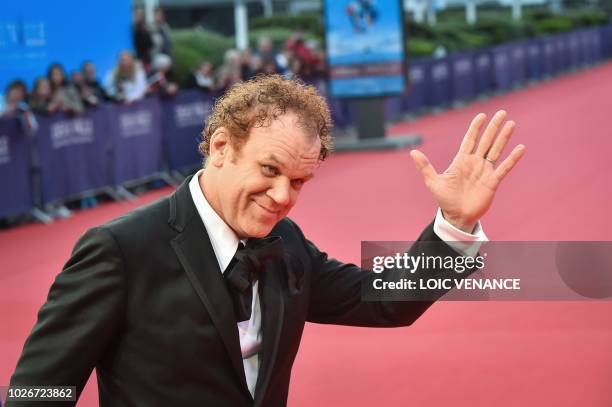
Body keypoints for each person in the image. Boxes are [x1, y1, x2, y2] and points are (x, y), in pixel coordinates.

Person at [7, 76, 524, 406]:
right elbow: (38, 389)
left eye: (299, 182)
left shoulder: (287, 244)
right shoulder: (120, 250)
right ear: (221, 147)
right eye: (270, 170)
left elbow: (384, 300)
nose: (283, 196)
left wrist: (453, 223)